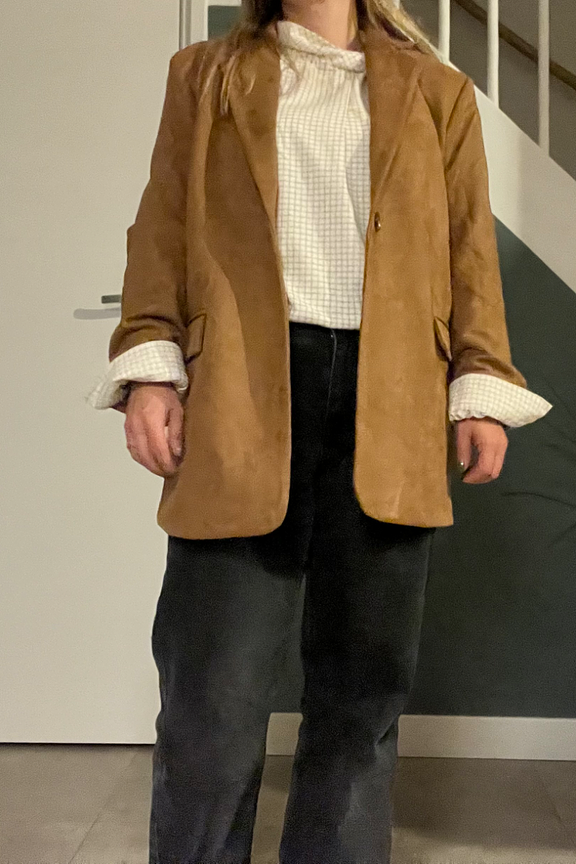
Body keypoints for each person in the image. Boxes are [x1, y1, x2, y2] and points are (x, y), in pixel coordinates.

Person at [87, 0, 552, 861]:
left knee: (361, 694)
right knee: (212, 697)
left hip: (393, 401)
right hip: (239, 399)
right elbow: (161, 227)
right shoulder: (204, 76)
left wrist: (482, 380)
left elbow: (468, 248)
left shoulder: (437, 91)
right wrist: (151, 365)